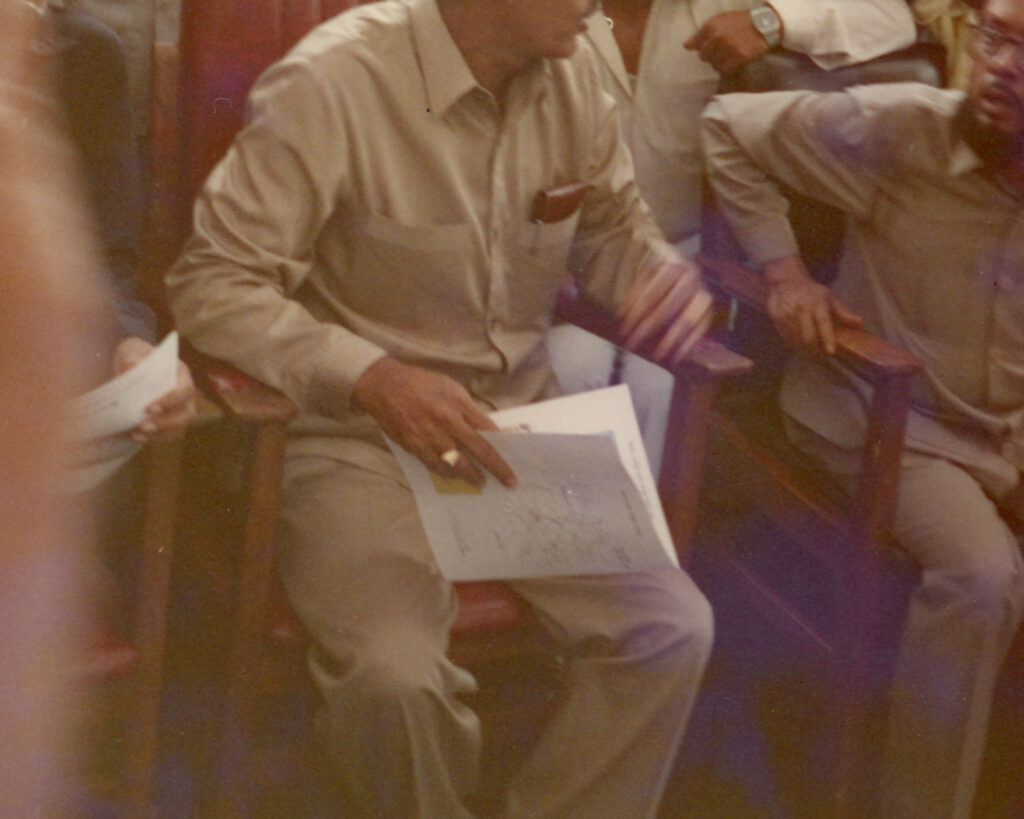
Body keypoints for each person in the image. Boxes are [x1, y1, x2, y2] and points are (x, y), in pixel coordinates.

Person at [165, 0, 715, 815]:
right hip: (356, 439)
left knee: (671, 629)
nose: (601, 5)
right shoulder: (335, 79)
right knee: (395, 680)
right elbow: (211, 283)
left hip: (516, 430)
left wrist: (658, 278)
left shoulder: (574, 86)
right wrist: (370, 374)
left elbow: (613, 236)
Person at [700, 0, 1024, 813]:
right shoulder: (902, 127)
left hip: (1005, 433)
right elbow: (728, 126)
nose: (1001, 68)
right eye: (996, 39)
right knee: (982, 574)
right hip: (883, 418)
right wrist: (783, 272)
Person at [547, 0, 917, 476]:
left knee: (666, 378)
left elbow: (889, 16)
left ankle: (646, 544)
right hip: (560, 261)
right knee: (570, 366)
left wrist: (772, 20)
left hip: (686, 263)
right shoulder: (538, 14)